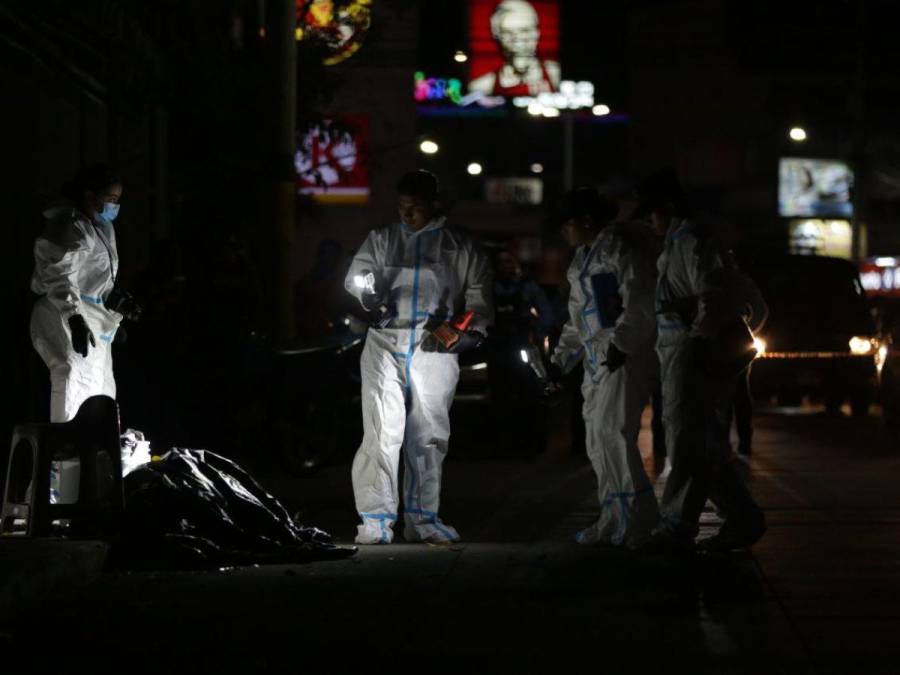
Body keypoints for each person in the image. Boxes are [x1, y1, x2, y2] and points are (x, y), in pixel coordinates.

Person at [344, 170, 493, 544]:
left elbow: (479, 298)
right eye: (402, 206)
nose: (407, 213)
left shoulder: (460, 247)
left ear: (434, 204)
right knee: (381, 430)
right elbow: (357, 277)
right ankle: (376, 521)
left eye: (415, 206)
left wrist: (464, 334)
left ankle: (423, 520)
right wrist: (369, 300)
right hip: (384, 343)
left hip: (433, 346)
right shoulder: (382, 239)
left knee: (427, 435)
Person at [640, 168, 768, 553]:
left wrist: (698, 338)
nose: (649, 221)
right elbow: (752, 302)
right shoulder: (685, 242)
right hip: (685, 353)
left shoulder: (691, 242)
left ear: (666, 208)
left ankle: (679, 526)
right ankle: (742, 518)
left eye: (651, 212)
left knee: (686, 443)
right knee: (704, 448)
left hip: (689, 355)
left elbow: (712, 296)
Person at [550, 188, 661, 547]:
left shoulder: (619, 250)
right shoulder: (582, 260)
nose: (563, 232)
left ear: (585, 221)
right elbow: (576, 319)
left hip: (622, 357)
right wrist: (561, 360)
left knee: (615, 434)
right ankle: (613, 516)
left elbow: (640, 300)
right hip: (598, 359)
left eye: (567, 224)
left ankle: (638, 522)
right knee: (598, 440)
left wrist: (622, 345)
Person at [30, 164, 129, 423]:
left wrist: (115, 308)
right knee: (72, 381)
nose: (114, 205)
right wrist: (73, 317)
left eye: (117, 200)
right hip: (62, 315)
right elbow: (57, 274)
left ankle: (93, 454)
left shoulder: (99, 228)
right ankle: (65, 455)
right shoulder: (70, 224)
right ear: (89, 195)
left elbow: (97, 280)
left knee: (99, 387)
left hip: (91, 319)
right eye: (110, 199)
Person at [468, 0, 561, 97]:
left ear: (537, 33)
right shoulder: (482, 86)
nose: (517, 40)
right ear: (497, 36)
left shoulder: (555, 74)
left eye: (525, 31)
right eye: (507, 32)